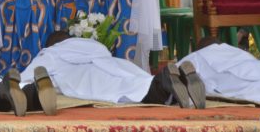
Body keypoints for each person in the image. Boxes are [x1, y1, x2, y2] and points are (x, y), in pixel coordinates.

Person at [20, 31, 206, 109]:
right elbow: (104, 54)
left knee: (124, 90)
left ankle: (165, 83)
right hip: (113, 64)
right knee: (135, 79)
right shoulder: (91, 45)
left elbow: (27, 79)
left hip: (85, 74)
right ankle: (174, 78)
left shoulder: (51, 52)